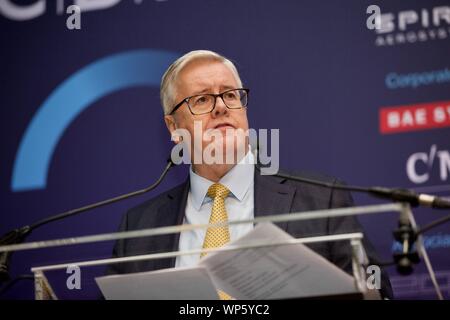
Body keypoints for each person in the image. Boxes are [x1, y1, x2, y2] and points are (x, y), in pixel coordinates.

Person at [106, 50, 393, 299]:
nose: (221, 107)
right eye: (202, 100)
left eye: (230, 95)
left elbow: (376, 290)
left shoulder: (321, 199)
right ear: (173, 127)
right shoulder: (139, 227)